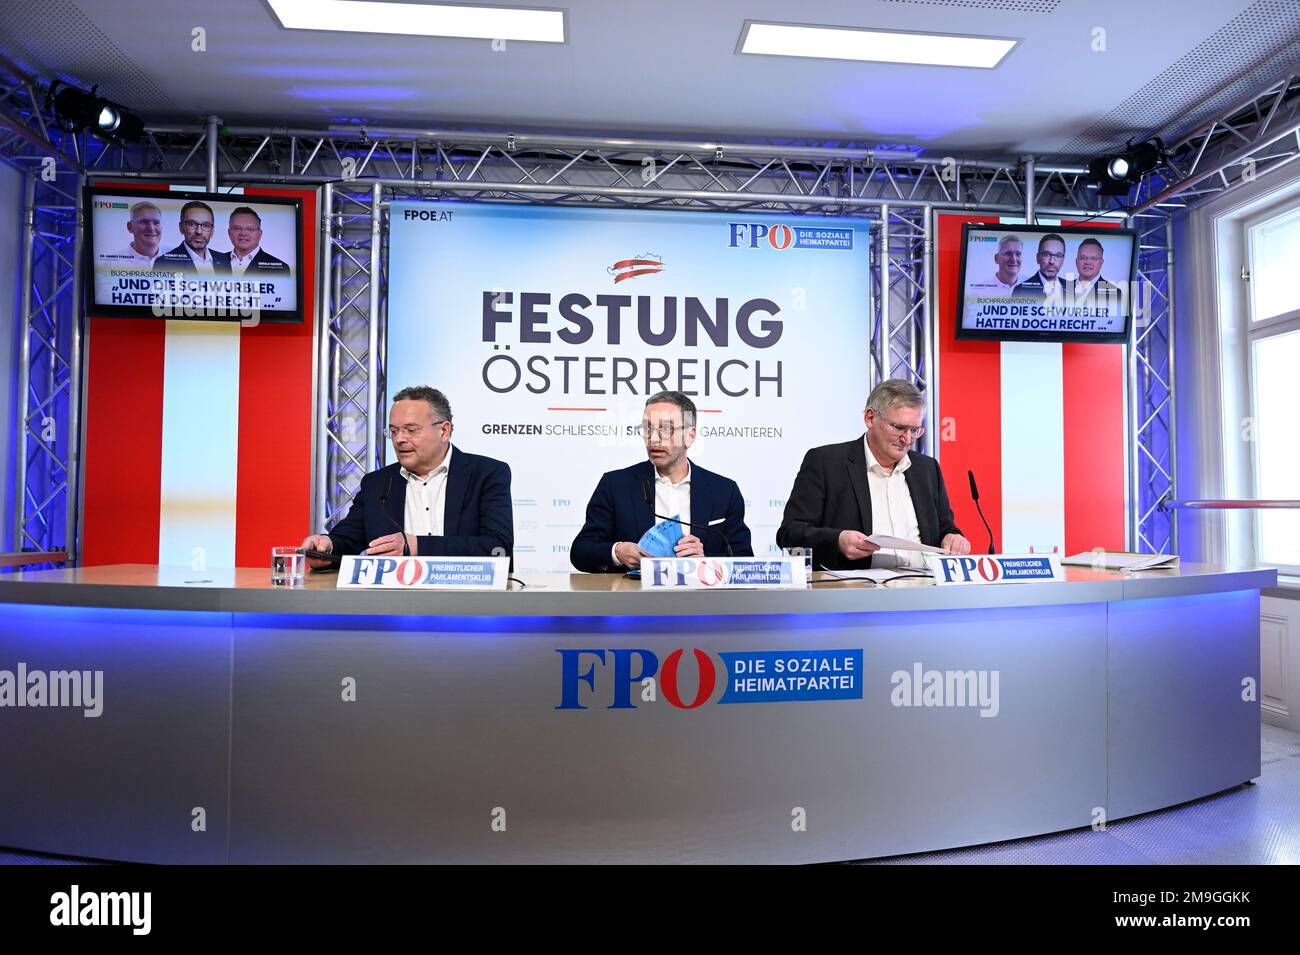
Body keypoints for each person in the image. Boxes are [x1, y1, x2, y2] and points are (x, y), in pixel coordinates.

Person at [302, 386, 513, 565]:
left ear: (444, 431)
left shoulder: (486, 474)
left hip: (467, 604)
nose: (399, 439)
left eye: (411, 430)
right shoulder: (378, 483)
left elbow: (498, 547)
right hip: (394, 607)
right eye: (393, 431)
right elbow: (349, 536)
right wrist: (327, 546)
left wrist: (418, 546)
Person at [776, 379, 971, 571]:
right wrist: (838, 540)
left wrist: (953, 539)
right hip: (855, 592)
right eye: (899, 428)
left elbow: (946, 529)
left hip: (924, 589)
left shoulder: (927, 469)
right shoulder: (826, 463)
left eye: (914, 430)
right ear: (870, 418)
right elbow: (789, 533)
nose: (907, 439)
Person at [570, 390, 753, 573]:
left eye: (666, 429)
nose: (654, 439)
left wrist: (705, 562)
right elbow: (581, 551)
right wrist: (617, 552)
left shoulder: (724, 491)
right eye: (648, 428)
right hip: (634, 598)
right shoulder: (615, 485)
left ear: (690, 435)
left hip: (701, 599)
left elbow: (744, 560)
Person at [151, 200, 230, 274]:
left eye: (206, 225)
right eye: (191, 224)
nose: (199, 231)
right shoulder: (164, 263)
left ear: (212, 231)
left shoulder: (225, 260)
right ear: (181, 227)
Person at [226, 207, 291, 276]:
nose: (243, 233)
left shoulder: (279, 269)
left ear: (260, 233)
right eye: (237, 228)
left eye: (250, 229)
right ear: (229, 232)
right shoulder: (215, 261)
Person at [97, 201, 163, 267]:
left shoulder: (172, 255)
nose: (151, 228)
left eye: (156, 223)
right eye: (144, 222)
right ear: (130, 227)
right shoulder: (111, 264)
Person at [1069, 237, 1122, 307]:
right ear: (1076, 262)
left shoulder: (1114, 293)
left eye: (1093, 258)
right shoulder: (1062, 289)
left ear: (1101, 262)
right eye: (1083, 258)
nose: (1087, 262)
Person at [1012, 233, 1067, 297]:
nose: (1052, 261)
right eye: (1046, 255)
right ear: (1038, 258)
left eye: (1058, 256)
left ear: (1063, 260)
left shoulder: (1072, 288)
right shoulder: (1021, 291)